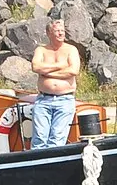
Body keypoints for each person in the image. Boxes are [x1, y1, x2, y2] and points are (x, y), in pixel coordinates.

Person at [29, 19, 81, 149]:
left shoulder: (71, 50)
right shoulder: (41, 50)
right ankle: (37, 166)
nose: (60, 34)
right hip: (43, 100)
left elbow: (73, 70)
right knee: (39, 139)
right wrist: (59, 65)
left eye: (62, 31)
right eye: (57, 31)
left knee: (57, 139)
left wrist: (47, 73)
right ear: (48, 33)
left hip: (65, 100)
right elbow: (36, 67)